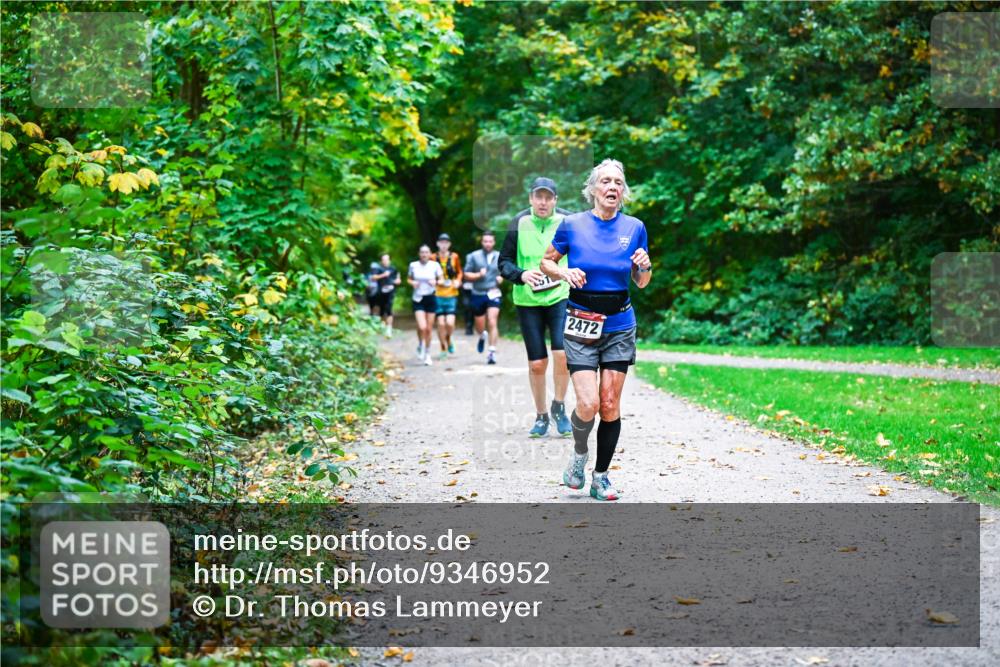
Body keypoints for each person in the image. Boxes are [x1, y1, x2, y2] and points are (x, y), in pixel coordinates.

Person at [539, 159, 651, 501]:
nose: (612, 187)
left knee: (609, 402)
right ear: (593, 189)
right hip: (581, 320)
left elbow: (642, 282)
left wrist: (644, 269)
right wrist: (563, 273)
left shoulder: (635, 227)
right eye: (605, 181)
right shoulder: (571, 225)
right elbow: (546, 261)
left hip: (619, 323)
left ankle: (601, 477)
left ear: (623, 191)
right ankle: (578, 455)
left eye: (618, 182)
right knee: (587, 403)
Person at [498, 177, 574, 438]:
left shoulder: (568, 222)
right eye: (538, 197)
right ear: (530, 199)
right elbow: (504, 262)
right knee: (537, 363)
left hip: (560, 296)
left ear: (555, 200)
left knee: (563, 354)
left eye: (548, 197)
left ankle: (559, 407)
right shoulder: (519, 223)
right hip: (528, 301)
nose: (543, 202)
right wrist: (521, 275)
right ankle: (541, 415)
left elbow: (583, 253)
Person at [464, 230, 503, 365]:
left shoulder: (500, 256)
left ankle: (492, 352)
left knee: (492, 321)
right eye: (485, 241)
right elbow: (466, 274)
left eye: (490, 241)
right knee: (479, 326)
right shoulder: (473, 256)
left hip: (493, 292)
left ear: (494, 242)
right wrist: (477, 275)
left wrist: (501, 277)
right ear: (482, 242)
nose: (488, 243)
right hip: (478, 293)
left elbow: (505, 271)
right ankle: (482, 335)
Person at [407, 245, 443, 366]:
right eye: (422, 252)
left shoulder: (435, 265)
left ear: (430, 254)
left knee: (428, 328)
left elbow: (442, 280)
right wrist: (413, 283)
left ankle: (427, 354)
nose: (424, 254)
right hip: (418, 298)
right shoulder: (413, 265)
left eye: (426, 252)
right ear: (419, 254)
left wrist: (436, 282)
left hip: (431, 298)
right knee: (422, 327)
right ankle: (421, 343)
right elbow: (409, 279)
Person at [430, 233, 463, 360]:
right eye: (441, 242)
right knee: (440, 323)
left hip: (451, 294)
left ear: (449, 244)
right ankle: (443, 347)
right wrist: (434, 281)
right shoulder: (433, 257)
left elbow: (460, 272)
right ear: (438, 244)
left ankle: (448, 339)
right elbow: (429, 272)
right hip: (437, 294)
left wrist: (458, 281)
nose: (443, 245)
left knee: (449, 323)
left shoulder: (454, 257)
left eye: (446, 243)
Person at [370, 253, 401, 337]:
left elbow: (398, 279)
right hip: (381, 292)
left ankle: (389, 329)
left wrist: (396, 281)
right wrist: (383, 275)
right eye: (384, 259)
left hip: (391, 291)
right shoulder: (378, 268)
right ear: (381, 260)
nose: (386, 261)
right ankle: (383, 326)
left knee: (389, 309)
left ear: (389, 260)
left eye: (387, 259)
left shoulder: (393, 269)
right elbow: (373, 277)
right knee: (382, 310)